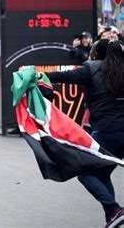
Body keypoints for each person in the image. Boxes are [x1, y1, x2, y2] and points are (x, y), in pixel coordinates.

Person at [45, 41, 124, 227]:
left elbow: (62, 76)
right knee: (103, 174)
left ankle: (114, 209)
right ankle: (112, 218)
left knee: (84, 172)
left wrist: (37, 75)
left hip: (105, 132)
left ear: (95, 54)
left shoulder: (90, 68)